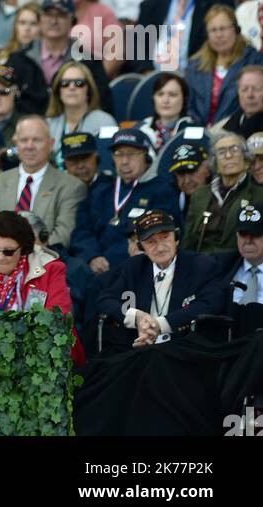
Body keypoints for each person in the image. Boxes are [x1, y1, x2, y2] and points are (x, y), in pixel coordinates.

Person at [96, 209, 224, 350]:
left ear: (176, 237)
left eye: (165, 237)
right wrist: (136, 317)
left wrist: (161, 324)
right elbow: (105, 300)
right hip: (139, 350)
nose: (160, 247)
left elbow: (210, 303)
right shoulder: (134, 267)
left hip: (184, 350)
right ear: (141, 246)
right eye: (151, 242)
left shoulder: (202, 265)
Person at [0, 210, 79, 354]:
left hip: (39, 353)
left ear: (23, 248)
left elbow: (59, 315)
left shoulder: (50, 269)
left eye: (8, 252)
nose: (0, 257)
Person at [70, 127, 180, 274]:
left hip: (135, 268)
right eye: (118, 154)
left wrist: (109, 259)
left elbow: (158, 236)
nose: (124, 161)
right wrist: (92, 256)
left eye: (132, 154)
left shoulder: (161, 190)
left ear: (146, 156)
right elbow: (82, 230)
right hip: (93, 266)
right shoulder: (101, 189)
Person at [0, 115, 86, 248]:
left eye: (37, 140)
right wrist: (0, 257)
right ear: (16, 143)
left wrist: (25, 257)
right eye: (23, 140)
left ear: (51, 144)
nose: (29, 146)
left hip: (46, 264)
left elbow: (64, 234)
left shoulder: (71, 187)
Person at [6, 0, 111, 114]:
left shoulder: (88, 61)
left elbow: (103, 104)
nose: (54, 21)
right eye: (48, 15)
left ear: (72, 21)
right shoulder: (18, 60)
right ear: (40, 20)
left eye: (61, 15)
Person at [182, 132, 263, 256]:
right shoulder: (199, 195)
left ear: (246, 160)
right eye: (221, 152)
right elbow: (188, 239)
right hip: (200, 263)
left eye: (234, 150)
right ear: (215, 164)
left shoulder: (259, 195)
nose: (228, 155)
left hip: (236, 265)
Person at [185, 4, 262, 126]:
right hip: (199, 131)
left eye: (223, 28)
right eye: (213, 30)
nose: (219, 35)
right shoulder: (195, 65)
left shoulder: (253, 61)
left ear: (236, 29)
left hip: (238, 129)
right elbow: (188, 105)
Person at [46, 62, 115, 163]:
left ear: (89, 90)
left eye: (79, 83)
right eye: (65, 83)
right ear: (58, 91)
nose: (72, 87)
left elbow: (108, 160)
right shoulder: (47, 125)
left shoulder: (105, 122)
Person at [217, 204, 263, 323]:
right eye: (243, 234)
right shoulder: (221, 265)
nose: (248, 241)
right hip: (227, 336)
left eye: (256, 234)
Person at [138, 72, 195, 153]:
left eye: (172, 95)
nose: (165, 100)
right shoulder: (141, 130)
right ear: (153, 99)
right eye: (160, 94)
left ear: (184, 99)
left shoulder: (195, 130)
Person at [216, 64, 263, 141]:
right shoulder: (225, 127)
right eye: (244, 89)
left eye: (257, 89)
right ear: (238, 93)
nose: (250, 95)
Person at [166, 141, 212, 219]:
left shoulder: (221, 199)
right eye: (181, 173)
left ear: (207, 169)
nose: (187, 181)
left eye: (192, 171)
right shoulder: (168, 200)